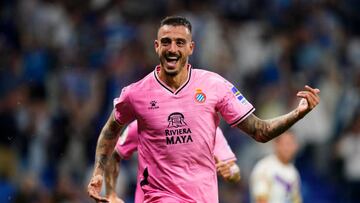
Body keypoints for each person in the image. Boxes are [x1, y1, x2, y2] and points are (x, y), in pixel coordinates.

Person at [87, 16, 320, 203]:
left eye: (180, 42)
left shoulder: (214, 86)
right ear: (157, 46)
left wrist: (298, 114)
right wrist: (100, 175)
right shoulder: (136, 94)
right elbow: (110, 132)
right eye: (166, 42)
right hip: (158, 197)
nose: (172, 48)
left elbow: (260, 131)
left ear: (191, 48)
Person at [104, 120, 241, 203]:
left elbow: (234, 170)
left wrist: (231, 171)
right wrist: (111, 194)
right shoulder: (144, 124)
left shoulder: (210, 128)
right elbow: (114, 153)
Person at [249, 131, 302, 203]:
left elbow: (296, 200)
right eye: (286, 144)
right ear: (276, 145)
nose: (289, 148)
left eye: (292, 144)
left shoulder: (294, 173)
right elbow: (261, 200)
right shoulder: (264, 167)